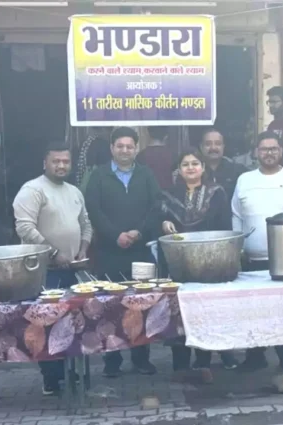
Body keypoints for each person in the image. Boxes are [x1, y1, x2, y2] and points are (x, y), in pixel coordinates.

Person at [13, 143, 92, 395]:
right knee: (46, 324)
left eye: (65, 162)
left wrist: (83, 249)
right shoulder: (33, 190)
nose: (61, 166)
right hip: (43, 270)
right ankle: (51, 378)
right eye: (56, 161)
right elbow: (25, 228)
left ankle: (69, 372)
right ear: (45, 163)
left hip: (71, 269)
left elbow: (86, 224)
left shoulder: (74, 192)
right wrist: (54, 253)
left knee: (70, 323)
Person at [85, 126, 161, 377]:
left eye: (130, 146)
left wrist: (138, 232)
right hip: (109, 253)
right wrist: (115, 235)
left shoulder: (147, 174)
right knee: (111, 309)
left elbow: (155, 207)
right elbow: (93, 210)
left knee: (141, 306)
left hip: (140, 254)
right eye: (120, 146)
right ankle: (112, 362)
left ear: (136, 148)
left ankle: (141, 359)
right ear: (112, 149)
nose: (125, 150)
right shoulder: (98, 176)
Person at [156, 147, 238, 378]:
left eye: (195, 163)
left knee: (206, 312)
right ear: (178, 170)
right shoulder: (168, 195)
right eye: (185, 164)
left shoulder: (217, 192)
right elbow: (157, 223)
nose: (190, 168)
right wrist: (163, 224)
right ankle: (180, 365)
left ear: (202, 167)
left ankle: (204, 363)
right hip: (179, 265)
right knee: (179, 313)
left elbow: (225, 227)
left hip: (209, 264)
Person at [231, 131, 283, 372]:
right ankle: (255, 356)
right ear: (256, 153)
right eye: (264, 149)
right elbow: (236, 215)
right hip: (253, 259)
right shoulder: (244, 179)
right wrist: (238, 248)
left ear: (281, 151)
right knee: (254, 311)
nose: (269, 153)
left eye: (273, 148)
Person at [197, 128, 248, 200]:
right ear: (201, 147)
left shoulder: (238, 171)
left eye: (217, 143)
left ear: (223, 147)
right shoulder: (194, 171)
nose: (213, 148)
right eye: (208, 144)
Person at [137, 126, 176, 192]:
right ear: (166, 137)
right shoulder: (172, 154)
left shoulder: (140, 156)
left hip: (148, 197)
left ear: (148, 135)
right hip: (168, 197)